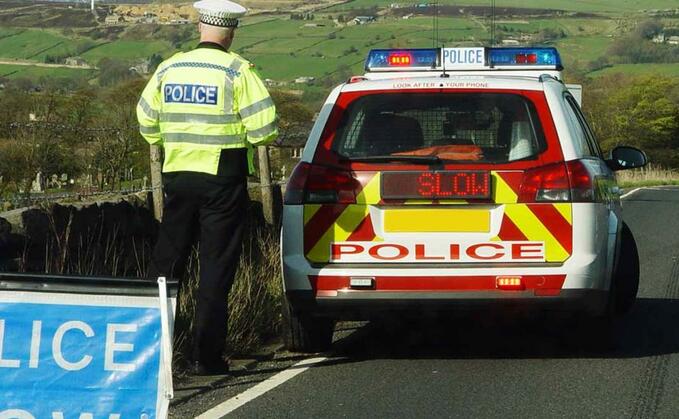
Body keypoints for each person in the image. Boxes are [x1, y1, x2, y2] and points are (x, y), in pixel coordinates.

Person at [136, 0, 278, 375]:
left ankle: (150, 354)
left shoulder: (169, 67)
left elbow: (146, 120)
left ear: (200, 27)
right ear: (230, 32)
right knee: (215, 268)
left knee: (167, 265)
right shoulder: (237, 71)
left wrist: (170, 142)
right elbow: (265, 127)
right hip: (223, 178)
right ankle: (206, 358)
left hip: (177, 174)